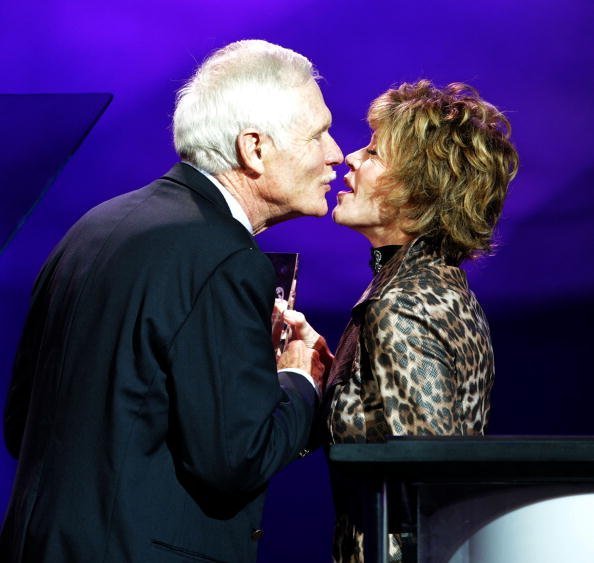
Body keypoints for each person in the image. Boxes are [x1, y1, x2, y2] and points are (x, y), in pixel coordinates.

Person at [0, 39, 342, 563]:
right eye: (318, 134)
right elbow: (236, 460)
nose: (335, 153)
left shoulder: (93, 227)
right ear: (254, 149)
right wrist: (300, 380)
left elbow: (22, 425)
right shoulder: (226, 257)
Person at [325, 80, 519, 561]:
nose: (350, 158)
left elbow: (425, 495)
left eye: (373, 152)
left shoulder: (404, 305)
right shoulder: (437, 286)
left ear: (419, 188)